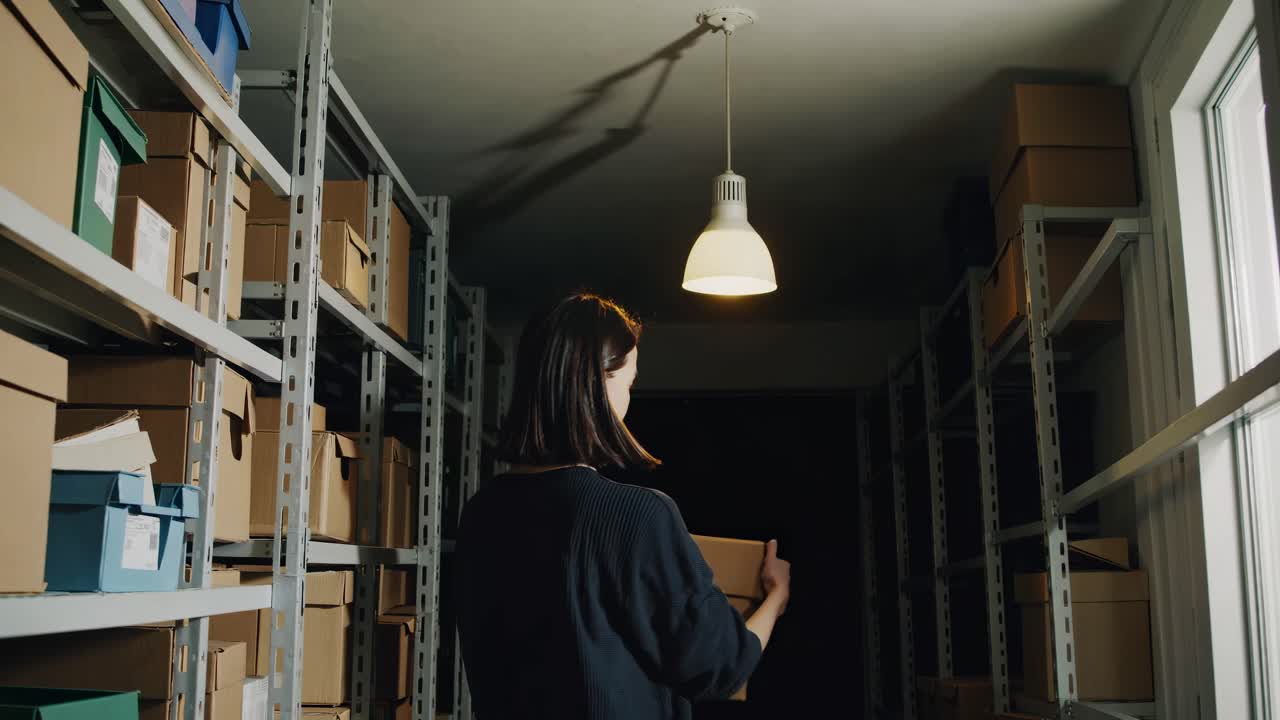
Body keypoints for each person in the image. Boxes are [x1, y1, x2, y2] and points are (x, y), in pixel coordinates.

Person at [455, 293, 791, 720]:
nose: (628, 402)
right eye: (627, 383)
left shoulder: (483, 512)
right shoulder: (636, 515)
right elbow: (719, 667)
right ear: (597, 383)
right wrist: (775, 598)